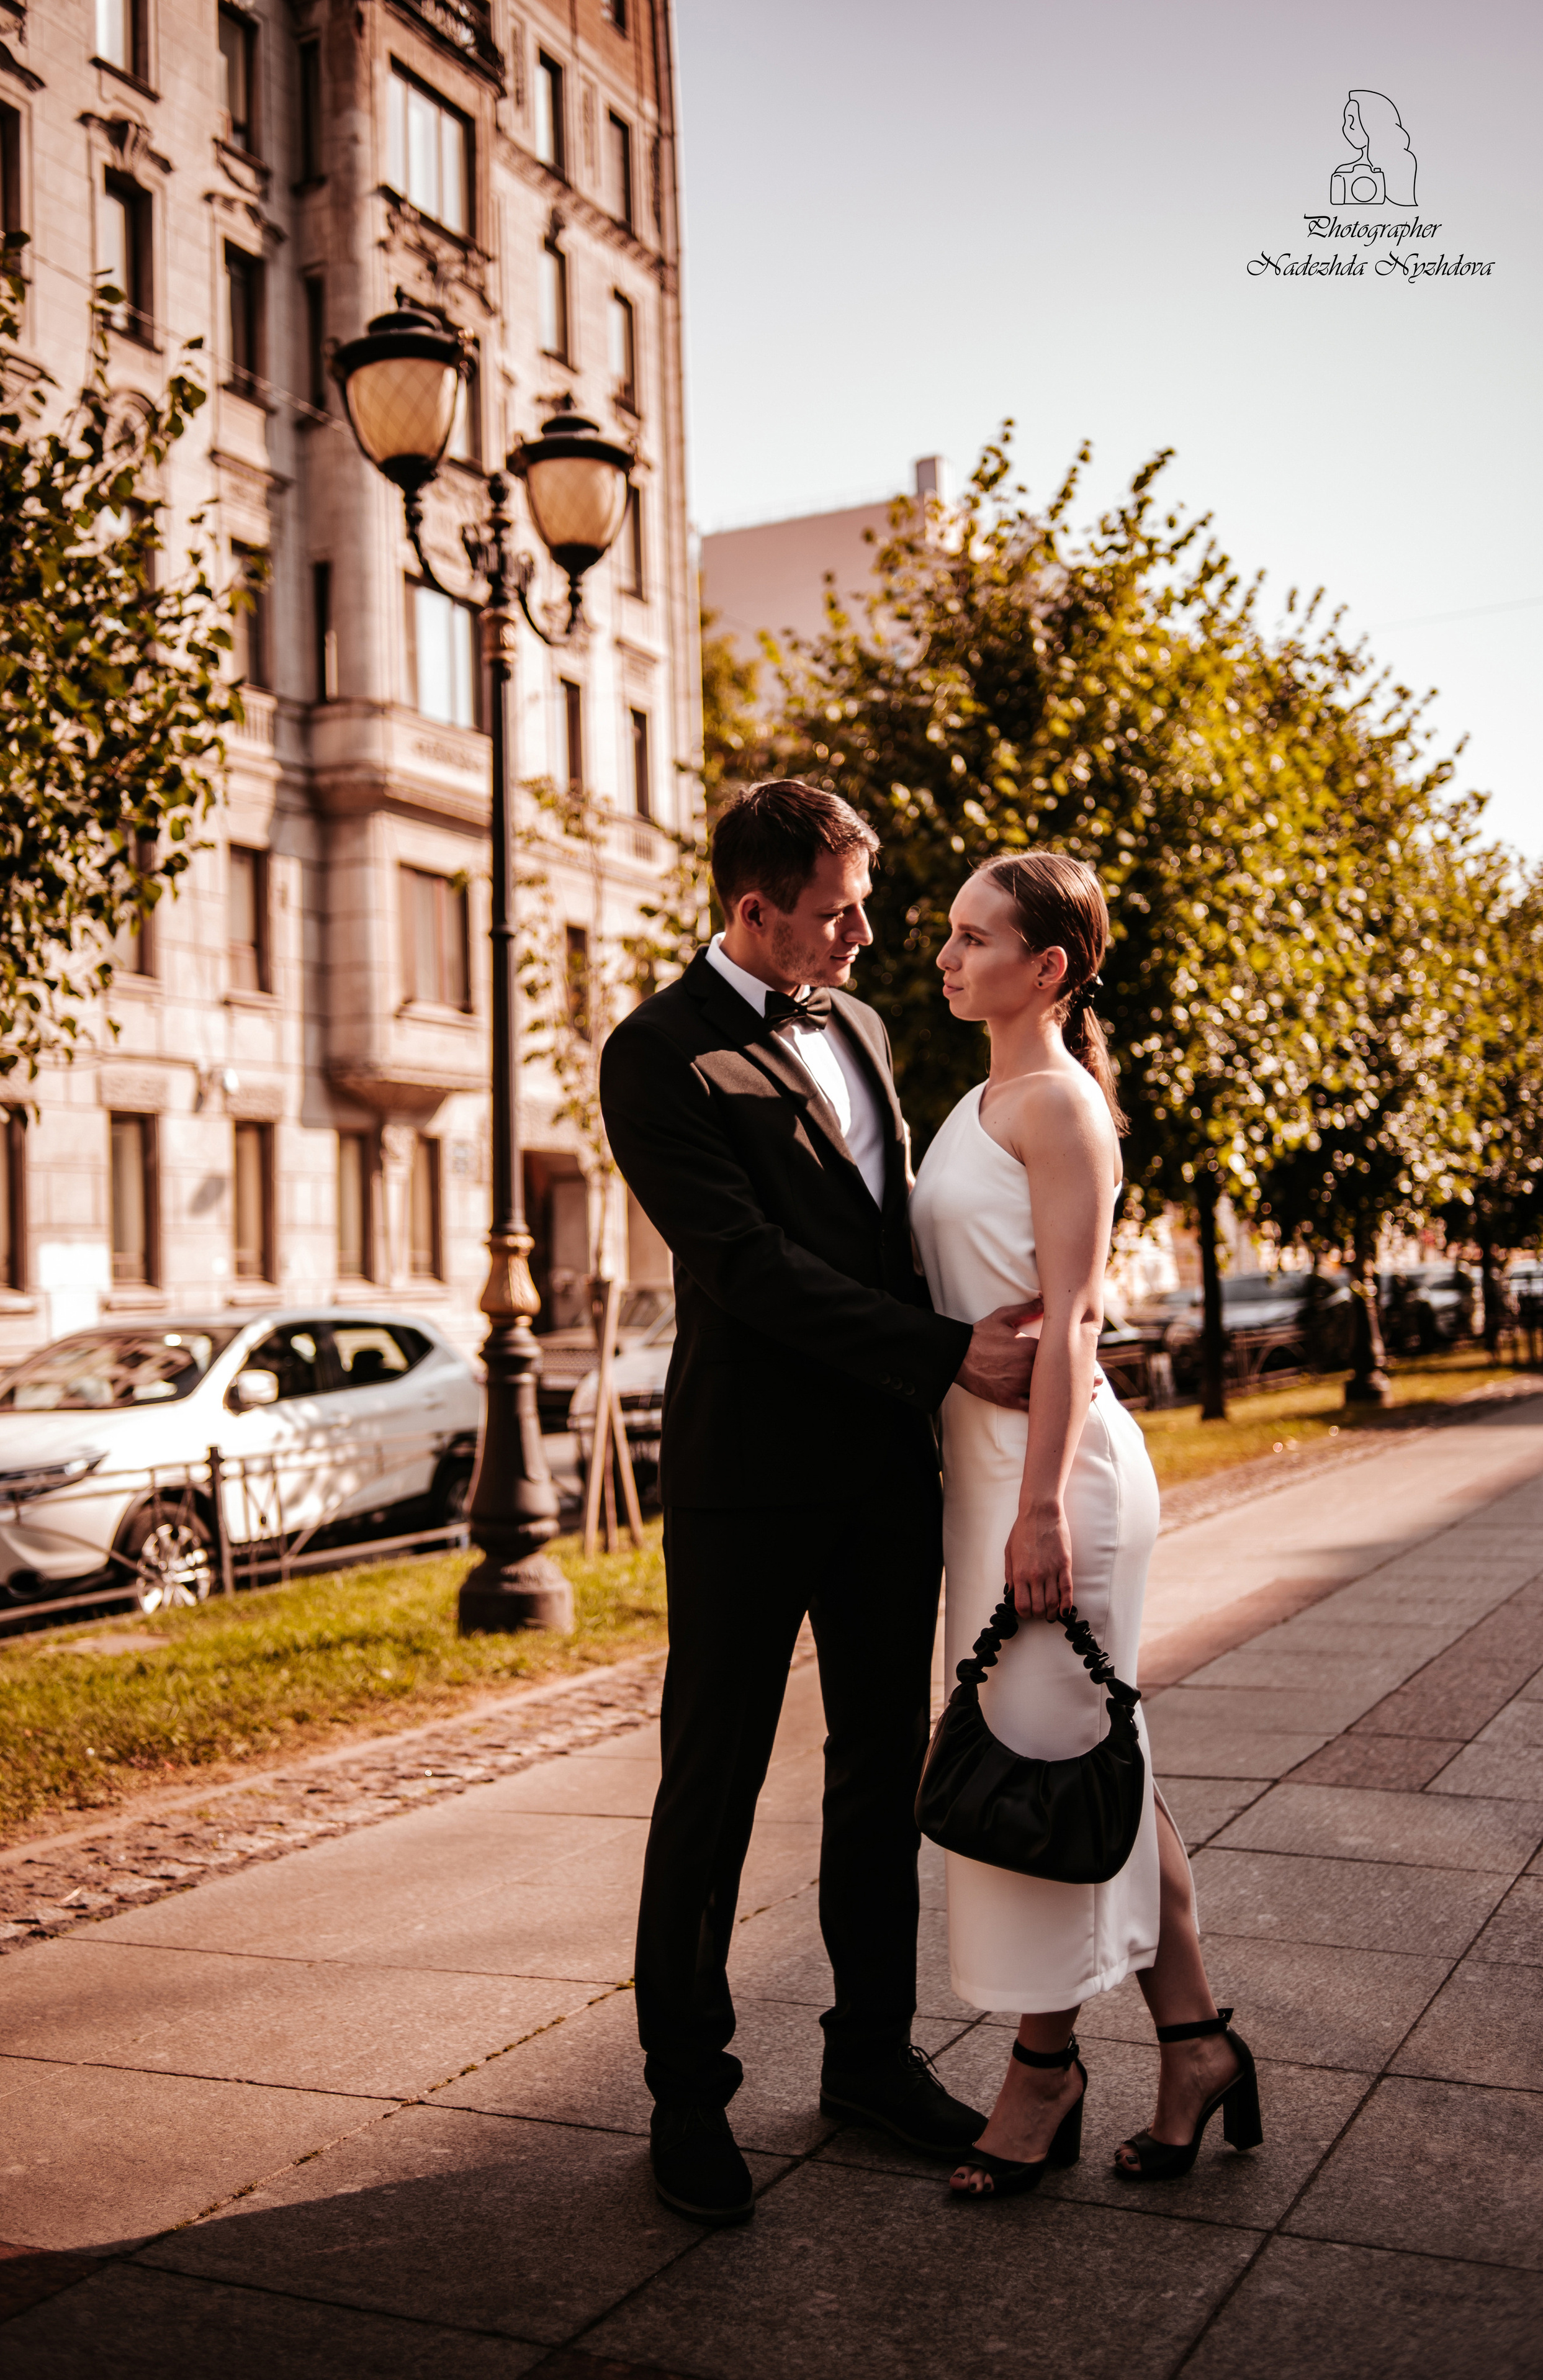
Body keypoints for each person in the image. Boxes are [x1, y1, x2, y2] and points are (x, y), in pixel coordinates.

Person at [600, 780, 1043, 2226]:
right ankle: (686, 2098)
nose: (868, 933)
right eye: (840, 908)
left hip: (879, 1477)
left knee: (876, 1779)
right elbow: (745, 1268)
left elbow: (885, 1233)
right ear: (754, 912)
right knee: (710, 1786)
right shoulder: (654, 1055)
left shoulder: (854, 1028)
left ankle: (869, 2059)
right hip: (744, 1486)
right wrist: (942, 1354)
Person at [909, 851, 1263, 2198]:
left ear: (1045, 967)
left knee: (1041, 1758)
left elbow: (1073, 1319)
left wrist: (1041, 1508)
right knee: (1094, 1759)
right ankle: (1194, 2046)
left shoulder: (1060, 1105)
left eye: (972, 937)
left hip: (1050, 1483)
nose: (945, 954)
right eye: (948, 932)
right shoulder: (982, 1092)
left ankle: (1038, 2073)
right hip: (987, 1478)